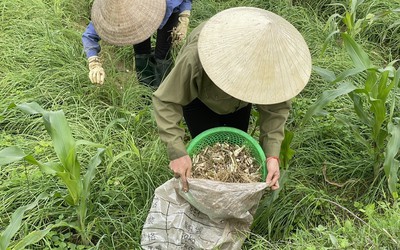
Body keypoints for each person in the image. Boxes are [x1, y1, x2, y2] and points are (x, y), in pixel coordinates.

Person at [152, 7, 312, 192]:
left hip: (240, 106)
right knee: (209, 153)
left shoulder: (275, 63)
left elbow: (276, 108)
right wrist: (177, 152)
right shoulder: (197, 56)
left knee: (233, 150)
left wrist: (271, 156)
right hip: (199, 100)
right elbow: (166, 100)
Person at [82, 0, 192, 88]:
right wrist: (94, 63)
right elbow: (89, 35)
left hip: (168, 12)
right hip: (135, 23)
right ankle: (146, 90)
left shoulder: (170, 2)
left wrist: (184, 16)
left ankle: (161, 91)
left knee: (163, 53)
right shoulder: (108, 9)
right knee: (141, 52)